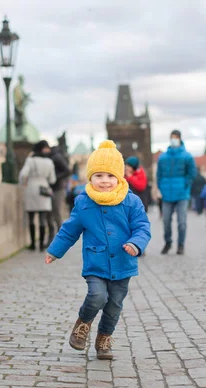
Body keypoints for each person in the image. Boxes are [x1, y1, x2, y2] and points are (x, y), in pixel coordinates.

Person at [45, 140, 151, 360]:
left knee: (114, 306)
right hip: (96, 262)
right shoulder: (84, 203)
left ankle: (104, 338)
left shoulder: (131, 202)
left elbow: (142, 227)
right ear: (90, 177)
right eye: (99, 175)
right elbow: (70, 230)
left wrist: (136, 244)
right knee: (96, 296)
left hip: (123, 264)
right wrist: (55, 250)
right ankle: (83, 322)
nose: (105, 181)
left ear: (120, 177)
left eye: (111, 176)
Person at [156, 130, 197, 255]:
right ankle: (168, 242)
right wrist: (161, 188)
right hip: (167, 193)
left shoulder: (187, 156)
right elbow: (159, 174)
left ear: (179, 139)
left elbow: (192, 173)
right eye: (171, 138)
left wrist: (186, 184)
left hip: (182, 193)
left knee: (182, 222)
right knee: (166, 221)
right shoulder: (162, 157)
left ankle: (181, 245)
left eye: (175, 138)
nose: (173, 140)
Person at [18, 140, 56, 251]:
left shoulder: (30, 160)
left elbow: (23, 174)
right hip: (44, 189)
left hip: (31, 188)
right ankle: (41, 245)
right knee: (42, 218)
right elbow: (52, 179)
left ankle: (33, 244)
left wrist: (23, 183)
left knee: (31, 217)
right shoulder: (49, 162)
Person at [47, 146, 72, 241]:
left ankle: (60, 237)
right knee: (50, 214)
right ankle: (53, 236)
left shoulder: (56, 156)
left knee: (56, 212)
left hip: (58, 188)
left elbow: (67, 170)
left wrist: (55, 178)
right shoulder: (52, 156)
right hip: (52, 188)